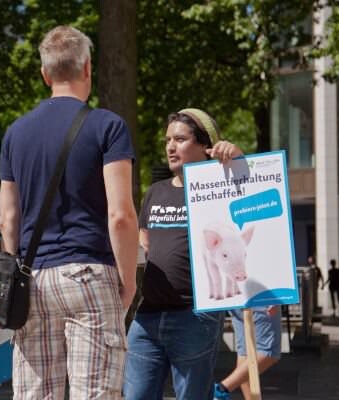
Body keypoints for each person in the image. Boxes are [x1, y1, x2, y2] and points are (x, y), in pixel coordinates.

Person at [0, 25, 138, 399]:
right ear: (88, 67)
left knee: (35, 394)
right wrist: (128, 281)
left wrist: (13, 276)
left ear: (45, 74)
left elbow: (8, 219)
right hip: (88, 272)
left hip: (33, 277)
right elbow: (121, 215)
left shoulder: (15, 133)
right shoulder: (108, 126)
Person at [124, 109, 243, 400]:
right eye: (168, 140)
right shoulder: (155, 192)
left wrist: (237, 158)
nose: (170, 147)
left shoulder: (220, 188)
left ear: (206, 146)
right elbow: (144, 243)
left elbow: (253, 191)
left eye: (180, 139)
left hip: (194, 316)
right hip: (147, 317)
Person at [213, 306, 282, 400]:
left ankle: (220, 391)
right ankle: (220, 390)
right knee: (268, 351)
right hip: (261, 299)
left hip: (237, 300)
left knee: (245, 354)